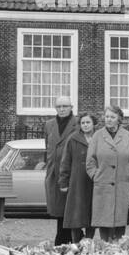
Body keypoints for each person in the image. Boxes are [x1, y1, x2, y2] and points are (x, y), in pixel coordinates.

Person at [84, 103, 129, 242]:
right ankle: (105, 249)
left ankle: (118, 251)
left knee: (120, 221)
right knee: (104, 221)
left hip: (123, 185)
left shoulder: (127, 136)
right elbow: (90, 161)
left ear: (119, 119)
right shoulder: (98, 136)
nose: (108, 119)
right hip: (103, 185)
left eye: (112, 116)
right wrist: (96, 176)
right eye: (107, 116)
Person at [58, 112, 96, 244]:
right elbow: (65, 161)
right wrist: (64, 182)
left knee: (92, 214)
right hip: (77, 183)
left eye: (88, 122)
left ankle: (89, 242)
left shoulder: (99, 138)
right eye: (83, 123)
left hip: (94, 182)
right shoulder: (73, 139)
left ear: (93, 124)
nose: (85, 125)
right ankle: (75, 244)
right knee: (76, 215)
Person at [44, 95, 77, 243]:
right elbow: (48, 147)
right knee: (58, 211)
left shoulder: (78, 124)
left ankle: (67, 240)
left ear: (71, 107)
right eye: (59, 107)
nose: (62, 109)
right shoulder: (49, 125)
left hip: (71, 173)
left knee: (70, 210)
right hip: (54, 173)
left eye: (65, 106)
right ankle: (63, 240)